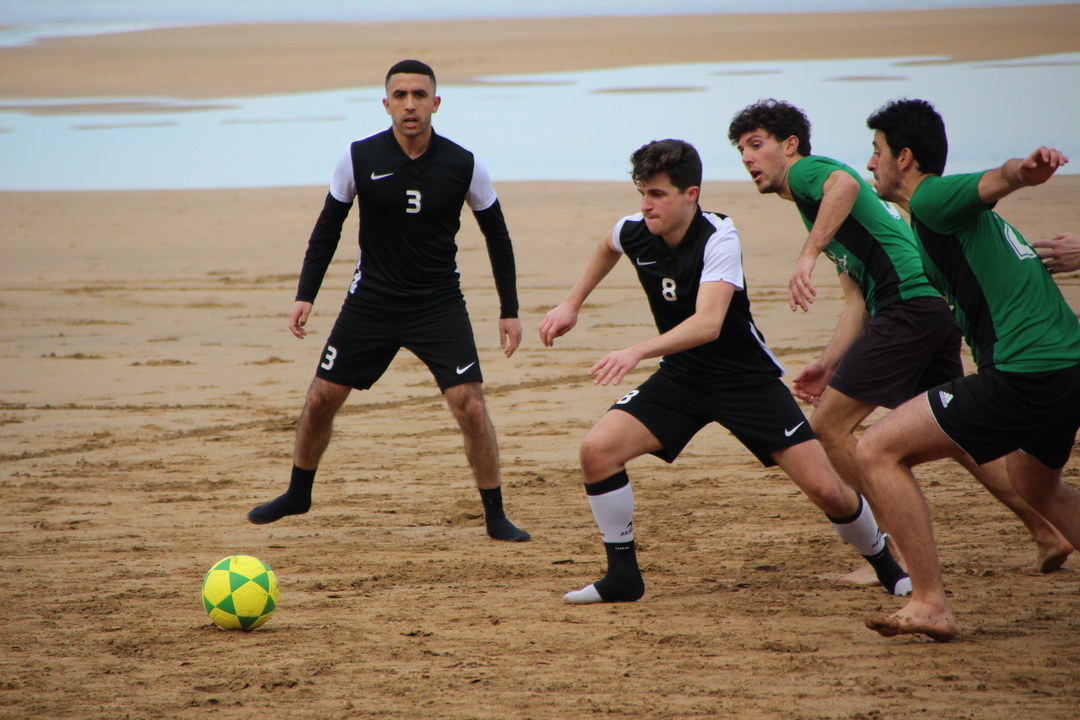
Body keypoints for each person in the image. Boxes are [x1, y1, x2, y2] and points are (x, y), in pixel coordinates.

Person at [540, 139, 910, 604]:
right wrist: (571, 304)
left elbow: (708, 324)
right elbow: (607, 246)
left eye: (657, 194)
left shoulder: (719, 237)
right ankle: (623, 579)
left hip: (745, 380)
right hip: (683, 377)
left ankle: (888, 567)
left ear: (690, 194)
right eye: (642, 193)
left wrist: (635, 352)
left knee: (828, 491)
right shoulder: (635, 230)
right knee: (597, 452)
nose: (645, 205)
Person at [726, 100, 1070, 586]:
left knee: (830, 427)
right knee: (960, 436)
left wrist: (807, 256)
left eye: (756, 145)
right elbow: (856, 300)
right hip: (927, 310)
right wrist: (829, 362)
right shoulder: (819, 210)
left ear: (790, 146)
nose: (747, 158)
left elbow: (844, 184)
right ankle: (1047, 532)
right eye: (741, 150)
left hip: (907, 308)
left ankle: (897, 553)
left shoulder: (806, 173)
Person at [247, 59, 530, 542]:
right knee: (319, 399)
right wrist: (305, 294)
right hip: (371, 302)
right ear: (386, 104)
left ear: (435, 103)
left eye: (419, 95)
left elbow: (497, 237)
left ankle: (495, 516)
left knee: (470, 406)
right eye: (400, 96)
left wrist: (509, 309)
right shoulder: (358, 157)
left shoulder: (464, 164)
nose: (409, 104)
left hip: (437, 304)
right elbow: (328, 228)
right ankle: (297, 493)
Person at [859, 98, 1080, 640]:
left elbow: (995, 179)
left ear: (903, 158)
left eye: (877, 151)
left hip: (1025, 371)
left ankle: (929, 602)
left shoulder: (931, 197)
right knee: (1035, 483)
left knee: (876, 450)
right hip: (1065, 368)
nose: (870, 163)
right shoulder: (940, 219)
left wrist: (1023, 171)